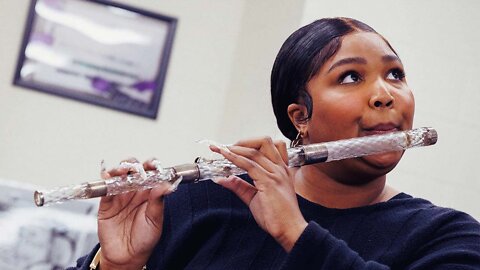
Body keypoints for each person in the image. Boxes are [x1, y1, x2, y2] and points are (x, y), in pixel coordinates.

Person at [69, 17, 480, 270]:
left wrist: (296, 233)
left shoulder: (447, 238)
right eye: (351, 77)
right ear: (300, 117)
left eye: (395, 74)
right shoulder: (196, 204)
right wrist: (118, 267)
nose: (384, 94)